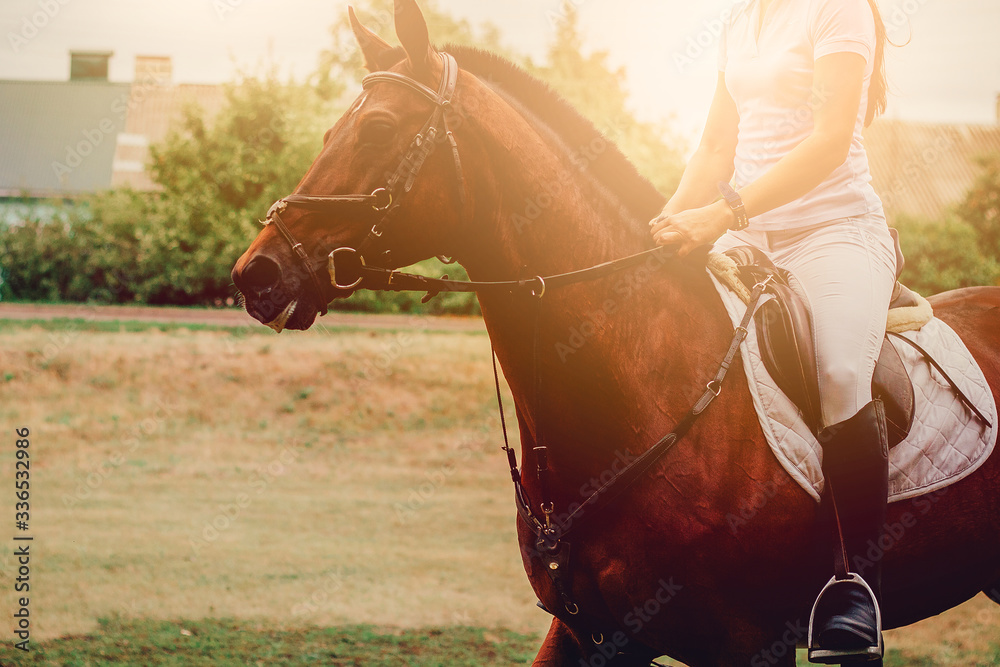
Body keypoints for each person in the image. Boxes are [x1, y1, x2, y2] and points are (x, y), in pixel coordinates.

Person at [649, 0, 896, 662]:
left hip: (834, 232)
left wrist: (721, 213)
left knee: (842, 371)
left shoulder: (838, 11)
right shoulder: (738, 21)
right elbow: (713, 147)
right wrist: (655, 229)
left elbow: (829, 140)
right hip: (749, 235)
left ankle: (851, 586)